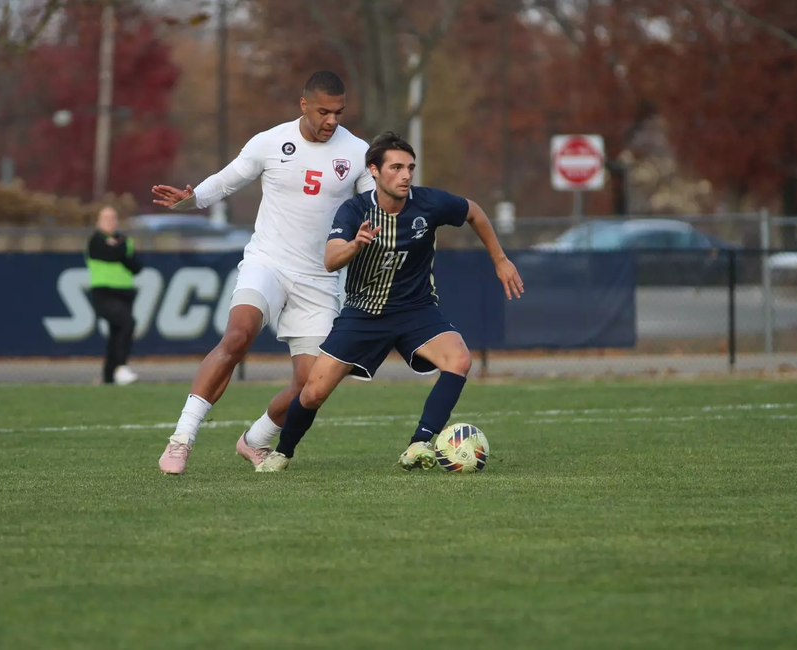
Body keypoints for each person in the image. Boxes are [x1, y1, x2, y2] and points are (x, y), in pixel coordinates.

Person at [255, 132, 524, 473]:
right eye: (396, 167)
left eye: (410, 167)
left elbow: (474, 212)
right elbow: (330, 259)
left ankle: (419, 444)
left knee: (459, 359)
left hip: (416, 310)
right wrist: (356, 244)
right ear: (374, 171)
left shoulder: (429, 203)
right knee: (312, 393)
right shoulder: (355, 210)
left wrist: (500, 260)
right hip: (363, 314)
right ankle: (283, 452)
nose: (406, 175)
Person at [150, 71, 374, 474]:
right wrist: (191, 198)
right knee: (237, 336)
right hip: (268, 262)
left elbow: (376, 204)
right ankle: (181, 439)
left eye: (338, 112)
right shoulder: (270, 141)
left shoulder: (357, 152)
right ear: (303, 105)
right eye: (323, 111)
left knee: (312, 385)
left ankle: (254, 440)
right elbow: (227, 181)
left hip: (320, 280)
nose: (331, 121)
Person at [86, 206, 143, 385]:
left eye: (113, 218)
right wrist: (119, 250)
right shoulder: (95, 240)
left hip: (125, 292)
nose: (110, 222)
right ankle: (121, 367)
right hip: (103, 293)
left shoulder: (125, 241)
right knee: (127, 322)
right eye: (106, 218)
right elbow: (111, 255)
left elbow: (136, 266)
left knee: (116, 332)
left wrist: (118, 250)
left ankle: (108, 376)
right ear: (99, 222)